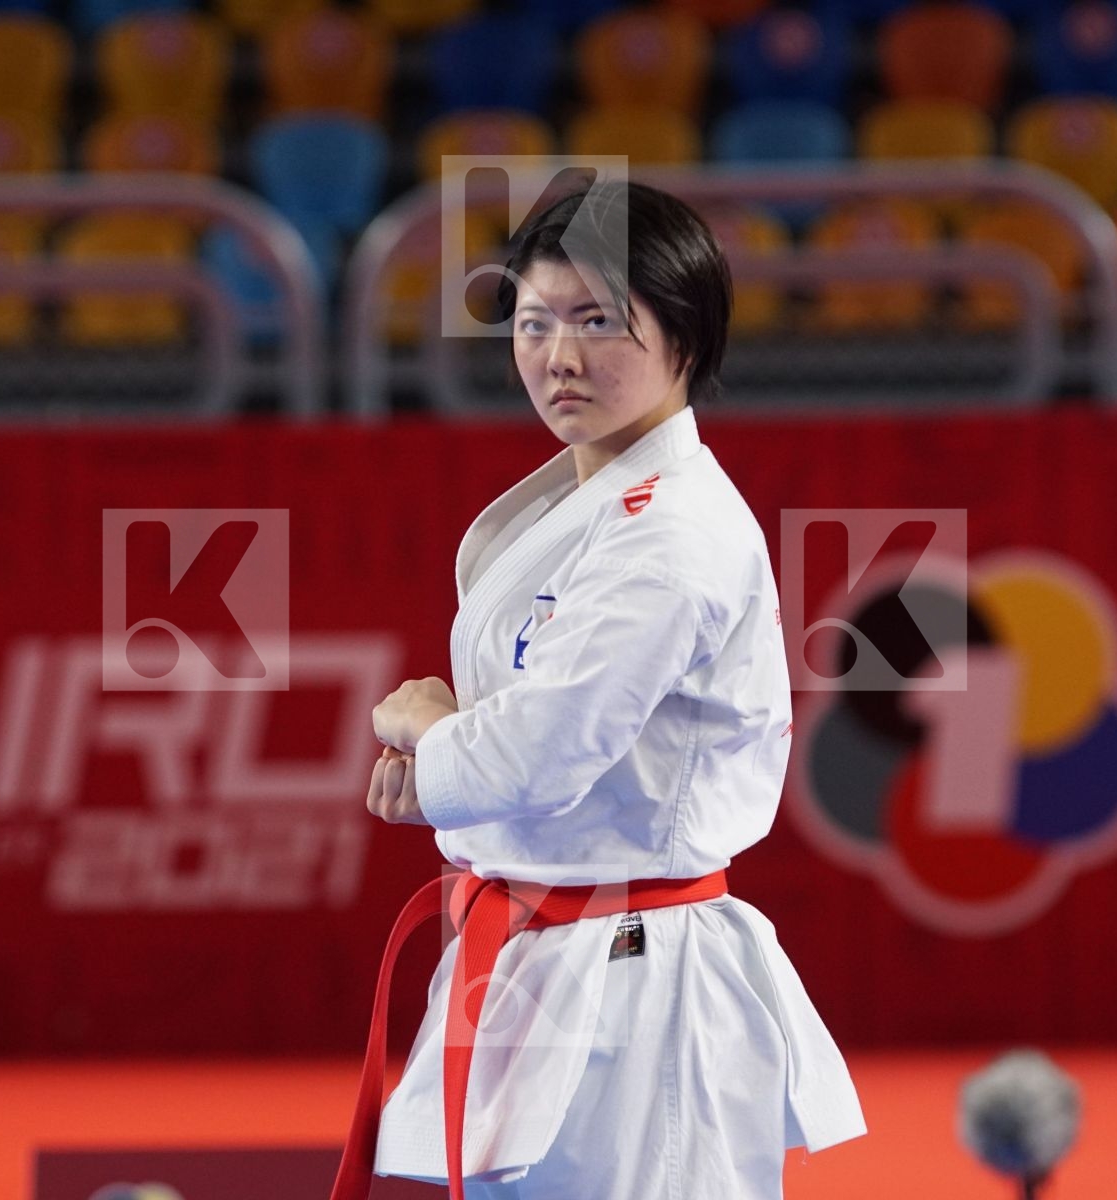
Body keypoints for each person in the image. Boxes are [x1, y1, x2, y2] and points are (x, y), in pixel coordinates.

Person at [332, 181, 867, 1200]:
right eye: (534, 323)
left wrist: (429, 727)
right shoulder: (594, 500)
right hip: (545, 954)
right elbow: (521, 753)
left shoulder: (670, 532)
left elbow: (535, 755)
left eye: (597, 322)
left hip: (637, 983)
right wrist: (452, 772)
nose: (558, 357)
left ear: (686, 336)